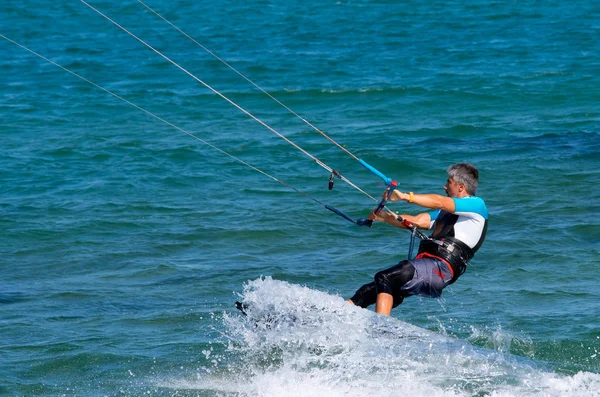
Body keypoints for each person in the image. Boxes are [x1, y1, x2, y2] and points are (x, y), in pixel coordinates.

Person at [347, 163, 488, 315]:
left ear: (461, 187)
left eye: (449, 182)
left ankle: (380, 328)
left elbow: (439, 201)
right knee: (367, 291)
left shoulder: (477, 205)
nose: (444, 186)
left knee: (384, 278)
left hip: (441, 268)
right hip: (429, 264)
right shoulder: (445, 213)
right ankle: (339, 313)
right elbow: (419, 221)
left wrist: (404, 196)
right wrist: (384, 217)